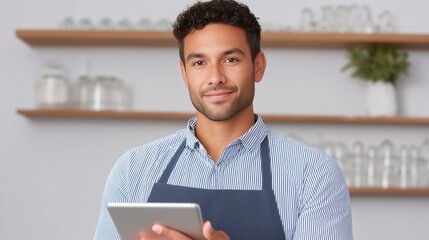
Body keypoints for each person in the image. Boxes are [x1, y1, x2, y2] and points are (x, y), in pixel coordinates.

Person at [94, 0, 353, 239]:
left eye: (230, 59)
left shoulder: (313, 174)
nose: (215, 76)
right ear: (184, 73)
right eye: (199, 63)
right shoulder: (132, 170)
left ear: (258, 66)